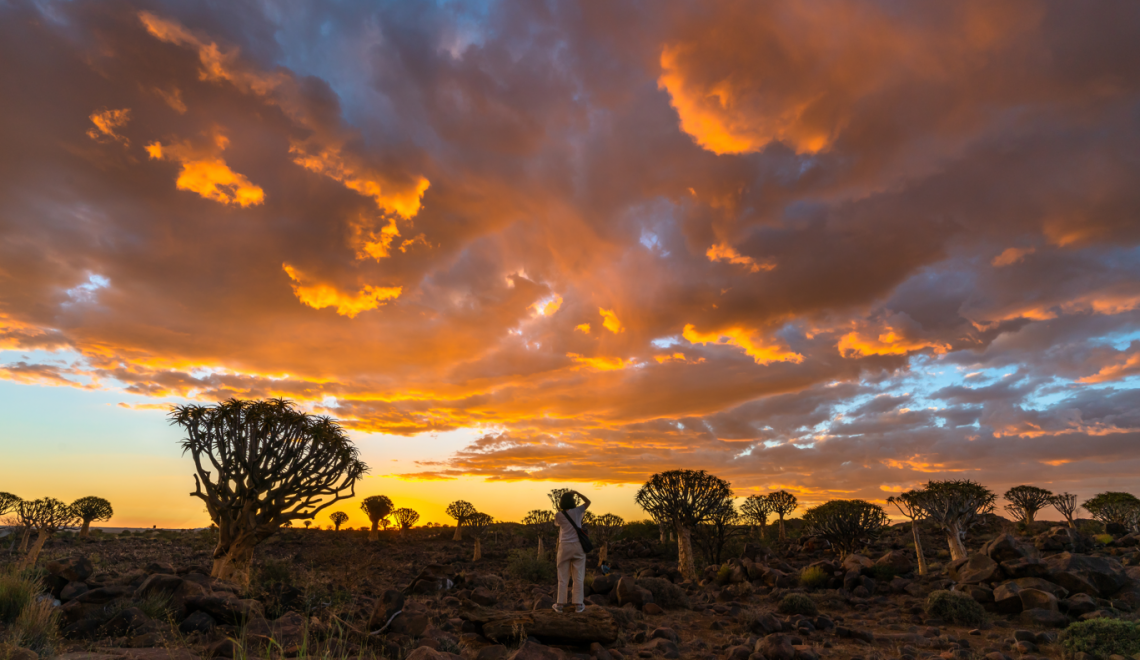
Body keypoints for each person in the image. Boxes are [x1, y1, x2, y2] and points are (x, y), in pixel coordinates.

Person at [553, 489, 590, 613]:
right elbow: (588, 502)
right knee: (578, 576)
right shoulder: (578, 511)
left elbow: (558, 525)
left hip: (564, 546)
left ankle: (560, 604)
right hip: (578, 546)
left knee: (562, 577)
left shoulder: (558, 515)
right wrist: (578, 493)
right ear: (573, 501)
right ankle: (578, 604)